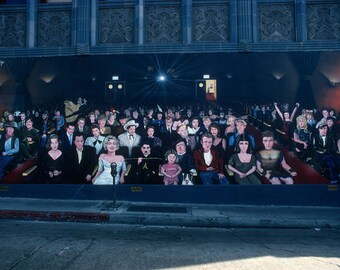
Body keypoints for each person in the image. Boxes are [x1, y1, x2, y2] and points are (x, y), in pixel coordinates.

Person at [312, 120, 338, 184]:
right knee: (324, 163)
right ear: (319, 129)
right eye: (321, 128)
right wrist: (320, 151)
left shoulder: (330, 137)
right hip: (318, 155)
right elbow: (314, 147)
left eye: (325, 128)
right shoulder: (315, 136)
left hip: (328, 154)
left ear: (327, 129)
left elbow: (333, 148)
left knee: (332, 162)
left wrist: (327, 151)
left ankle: (333, 179)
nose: (323, 130)